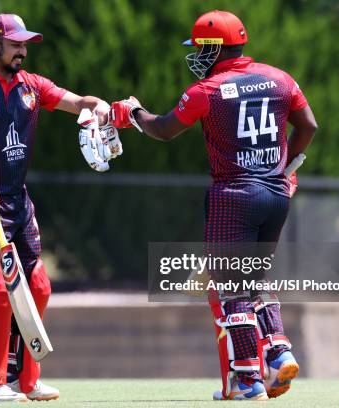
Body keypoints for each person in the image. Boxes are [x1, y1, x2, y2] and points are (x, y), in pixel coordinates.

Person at [110, 10, 317, 401]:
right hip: (275, 194)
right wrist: (286, 168)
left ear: (215, 48)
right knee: (254, 279)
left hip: (233, 196)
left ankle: (249, 379)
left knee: (229, 287)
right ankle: (278, 349)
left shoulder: (207, 90)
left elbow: (163, 129)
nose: (196, 56)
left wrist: (133, 112)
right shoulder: (280, 78)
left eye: (200, 49)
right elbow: (309, 126)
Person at [0, 13, 110, 402]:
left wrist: (96, 106)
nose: (23, 51)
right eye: (15, 44)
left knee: (38, 284)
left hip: (17, 199)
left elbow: (74, 101)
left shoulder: (31, 86)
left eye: (25, 44)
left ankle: (24, 380)